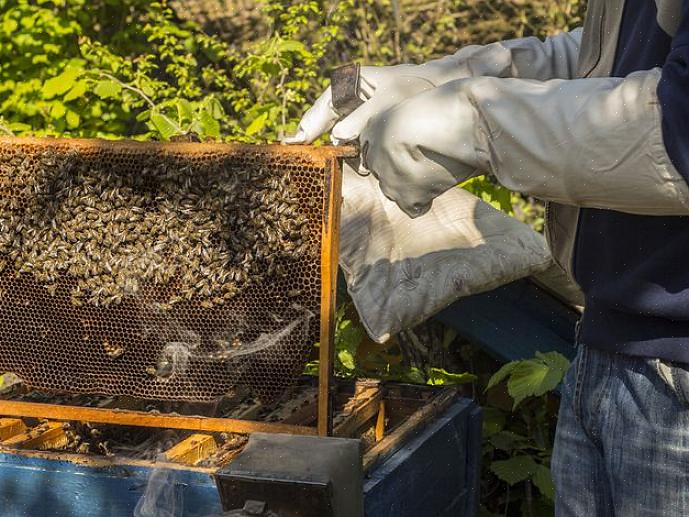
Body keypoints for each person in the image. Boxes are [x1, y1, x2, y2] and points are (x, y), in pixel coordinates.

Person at [285, 1, 689, 515]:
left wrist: (475, 122)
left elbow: (682, 129)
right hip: (604, 348)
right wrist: (438, 79)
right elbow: (607, 57)